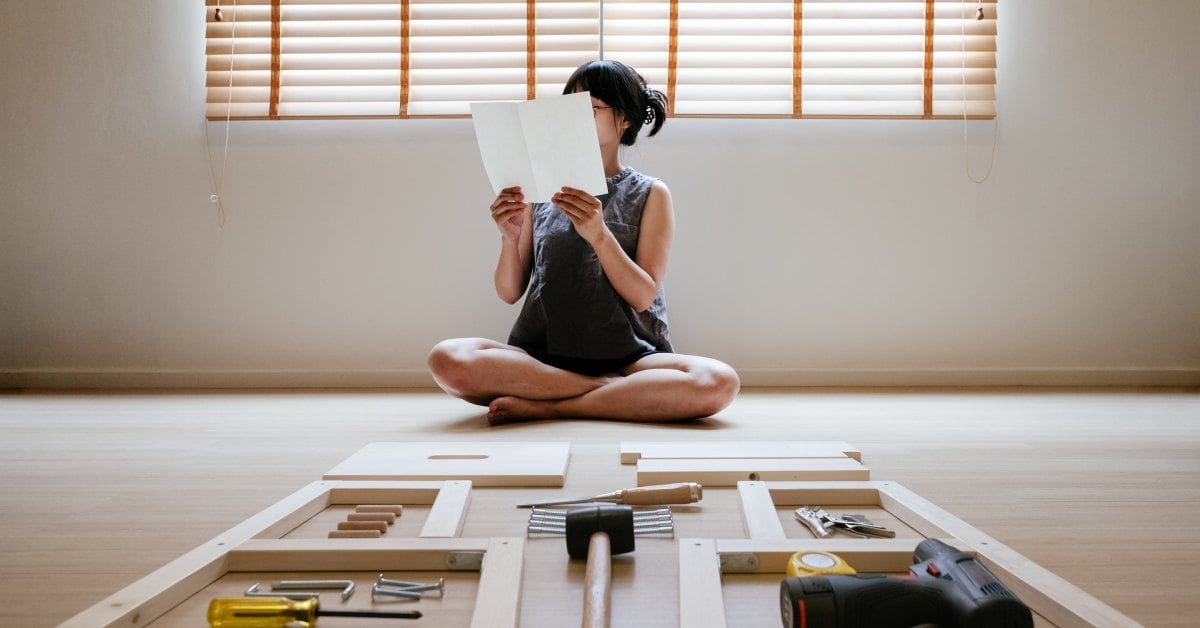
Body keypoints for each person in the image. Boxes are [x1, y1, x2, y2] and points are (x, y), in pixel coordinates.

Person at [428, 60, 740, 424]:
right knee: (446, 359)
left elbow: (643, 296)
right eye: (569, 108)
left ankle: (553, 405)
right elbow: (509, 291)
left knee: (719, 382)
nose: (575, 119)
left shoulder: (651, 193)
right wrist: (508, 237)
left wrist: (599, 235)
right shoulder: (538, 191)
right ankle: (601, 390)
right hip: (542, 357)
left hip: (631, 359)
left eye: (589, 109)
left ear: (624, 119)